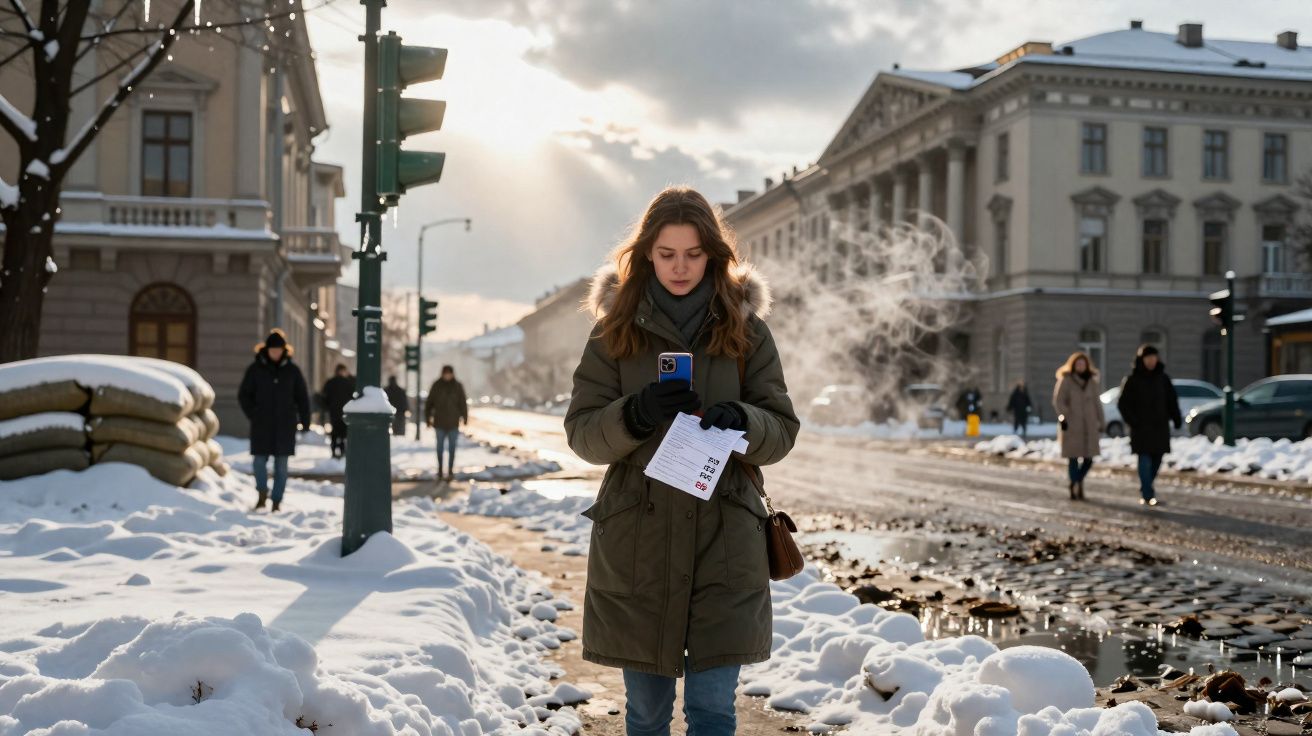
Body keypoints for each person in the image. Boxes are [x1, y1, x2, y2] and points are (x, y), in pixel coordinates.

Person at [564, 186, 800, 736]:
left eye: (693, 254)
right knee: (646, 715)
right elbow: (582, 432)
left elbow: (782, 430)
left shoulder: (747, 331)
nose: (680, 267)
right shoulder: (613, 331)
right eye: (667, 253)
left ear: (713, 255)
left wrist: (744, 421)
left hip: (726, 542)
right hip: (638, 546)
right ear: (646, 252)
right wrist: (636, 413)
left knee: (714, 712)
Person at [238, 329, 310, 512]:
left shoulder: (293, 371)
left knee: (282, 467)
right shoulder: (255, 369)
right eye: (273, 350)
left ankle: (276, 501)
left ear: (284, 350)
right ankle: (262, 494)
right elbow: (244, 395)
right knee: (259, 463)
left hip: (285, 425)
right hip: (261, 424)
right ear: (266, 349)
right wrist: (253, 413)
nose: (276, 353)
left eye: (279, 350)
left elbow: (302, 397)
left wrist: (305, 421)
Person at [1116, 345, 1181, 507]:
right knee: (1144, 459)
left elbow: (1171, 400)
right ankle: (1147, 493)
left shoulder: (1163, 379)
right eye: (1148, 358)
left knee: (1157, 459)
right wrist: (1133, 421)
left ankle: (1146, 486)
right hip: (1141, 428)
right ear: (1141, 360)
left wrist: (1176, 417)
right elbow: (1123, 404)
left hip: (1160, 427)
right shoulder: (1132, 379)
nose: (1151, 361)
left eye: (1154, 357)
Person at [1053, 351, 1103, 501]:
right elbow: (1058, 401)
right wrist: (1067, 414)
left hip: (1089, 425)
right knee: (1073, 458)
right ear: (1073, 365)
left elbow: (1097, 403)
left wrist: (1101, 420)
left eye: (1083, 363)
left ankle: (1077, 480)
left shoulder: (1092, 382)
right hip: (1072, 425)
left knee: (1089, 458)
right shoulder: (1066, 380)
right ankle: (1074, 486)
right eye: (1078, 363)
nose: (1080, 366)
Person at [424, 365, 468, 482]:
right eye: (445, 373)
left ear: (452, 374)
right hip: (439, 423)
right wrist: (428, 418)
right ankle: (440, 471)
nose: (447, 375)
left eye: (449, 373)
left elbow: (462, 402)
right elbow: (429, 403)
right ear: (442, 374)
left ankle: (450, 471)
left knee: (452, 448)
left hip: (453, 423)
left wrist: (465, 416)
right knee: (440, 448)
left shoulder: (457, 386)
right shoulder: (436, 385)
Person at [321, 364, 356, 459]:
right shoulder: (349, 382)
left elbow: (324, 397)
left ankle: (334, 451)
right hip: (346, 411)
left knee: (335, 432)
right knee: (344, 433)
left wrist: (328, 407)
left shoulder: (330, 382)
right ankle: (342, 451)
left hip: (334, 412)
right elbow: (353, 395)